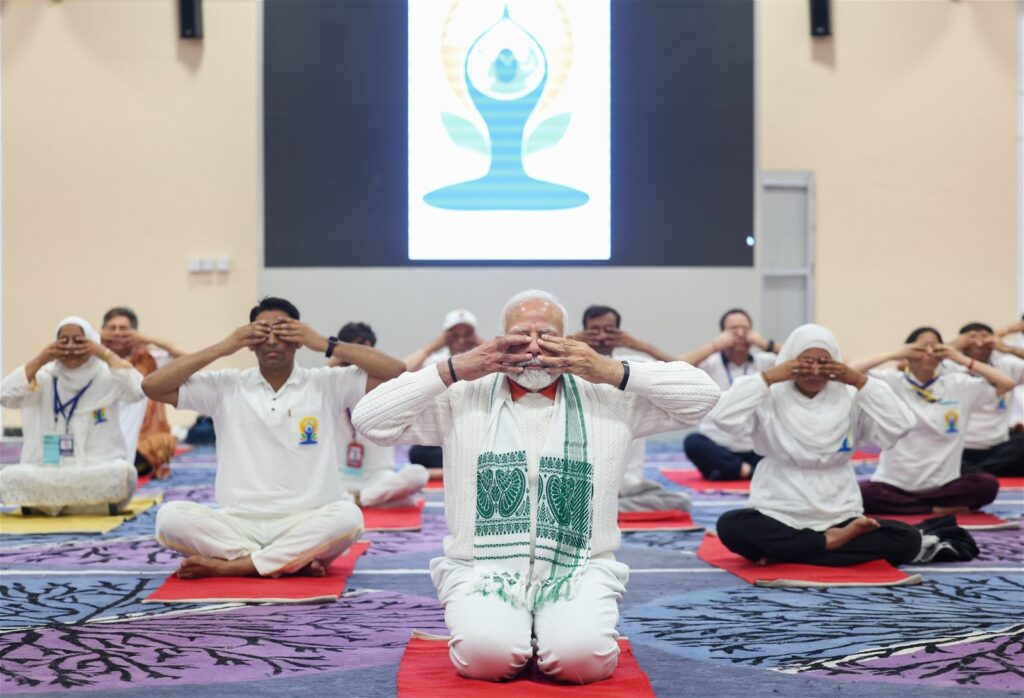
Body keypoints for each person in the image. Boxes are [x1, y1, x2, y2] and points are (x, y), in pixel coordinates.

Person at [353, 290, 720, 684]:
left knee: (581, 662)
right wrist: (453, 369)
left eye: (545, 335)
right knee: (486, 660)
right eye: (519, 334)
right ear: (497, 340)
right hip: (483, 568)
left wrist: (610, 369)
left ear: (569, 341)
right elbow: (369, 420)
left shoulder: (606, 393)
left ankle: (549, 623)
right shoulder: (463, 394)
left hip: (578, 565)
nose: (532, 346)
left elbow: (704, 397)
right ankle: (516, 624)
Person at [145, 297, 405, 579]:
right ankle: (287, 559)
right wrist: (225, 346)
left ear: (298, 339)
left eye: (282, 331)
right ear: (250, 342)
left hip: (307, 518)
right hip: (239, 522)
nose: (271, 340)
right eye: (262, 332)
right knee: (169, 517)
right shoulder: (226, 386)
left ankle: (238, 564)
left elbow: (396, 372)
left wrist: (323, 343)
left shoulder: (325, 383)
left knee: (349, 517)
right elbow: (152, 386)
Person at [708, 324, 934, 567]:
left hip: (839, 512)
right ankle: (828, 544)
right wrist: (768, 377)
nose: (815, 371)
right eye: (806, 363)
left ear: (836, 363)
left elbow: (902, 424)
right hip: (778, 509)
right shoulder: (769, 394)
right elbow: (721, 416)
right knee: (731, 527)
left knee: (908, 539)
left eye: (824, 363)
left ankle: (792, 550)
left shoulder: (850, 396)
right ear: (789, 361)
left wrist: (859, 381)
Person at [852, 327, 1011, 514]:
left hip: (943, 486)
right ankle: (933, 508)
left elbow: (1006, 383)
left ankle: (911, 506)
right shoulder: (890, 382)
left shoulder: (958, 384)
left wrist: (959, 358)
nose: (928, 352)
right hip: (893, 484)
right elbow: (848, 372)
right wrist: (893, 355)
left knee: (987, 484)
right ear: (908, 351)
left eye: (935, 347)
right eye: (921, 347)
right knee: (861, 494)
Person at [0, 317, 145, 515]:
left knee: (123, 474)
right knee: (11, 475)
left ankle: (52, 504)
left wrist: (103, 353)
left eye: (79, 341)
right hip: (49, 467)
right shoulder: (45, 376)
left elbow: (138, 390)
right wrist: (41, 358)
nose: (71, 347)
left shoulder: (107, 375)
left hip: (95, 466)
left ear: (92, 341)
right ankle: (84, 504)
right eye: (63, 341)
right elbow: (5, 396)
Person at [573, 304, 690, 513]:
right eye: (594, 330)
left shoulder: (633, 366)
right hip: (585, 475)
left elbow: (685, 374)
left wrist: (639, 345)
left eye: (609, 330)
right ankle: (600, 506)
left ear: (620, 333)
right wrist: (571, 341)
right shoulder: (570, 368)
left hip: (628, 483)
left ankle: (601, 508)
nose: (601, 336)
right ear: (583, 332)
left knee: (681, 502)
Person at [331, 322, 428, 507]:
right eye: (354, 351)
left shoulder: (385, 384)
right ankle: (374, 500)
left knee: (417, 474)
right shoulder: (331, 384)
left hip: (378, 476)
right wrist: (338, 352)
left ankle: (359, 500)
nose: (360, 357)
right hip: (341, 477)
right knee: (405, 503)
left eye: (366, 351)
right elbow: (320, 374)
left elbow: (404, 371)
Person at [680, 308, 777, 480]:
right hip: (718, 444)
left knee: (782, 445)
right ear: (722, 334)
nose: (740, 334)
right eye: (733, 330)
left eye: (745, 329)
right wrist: (714, 346)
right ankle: (748, 471)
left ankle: (735, 470)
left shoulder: (765, 361)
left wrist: (766, 344)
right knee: (693, 443)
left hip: (755, 446)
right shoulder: (710, 363)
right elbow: (677, 365)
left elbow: (799, 359)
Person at [101, 306, 185, 479]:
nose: (117, 333)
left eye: (123, 329)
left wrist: (149, 339)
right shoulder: (92, 361)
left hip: (141, 438)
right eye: (112, 329)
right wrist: (95, 341)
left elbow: (189, 358)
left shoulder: (149, 360)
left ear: (135, 333)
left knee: (160, 443)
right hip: (101, 434)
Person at [405, 309, 483, 474]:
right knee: (418, 453)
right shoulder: (434, 362)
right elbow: (398, 374)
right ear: (444, 337)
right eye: (454, 336)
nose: (461, 341)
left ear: (475, 336)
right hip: (439, 436)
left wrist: (484, 346)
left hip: (473, 434)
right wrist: (430, 347)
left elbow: (512, 372)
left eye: (467, 335)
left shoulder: (485, 362)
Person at [950, 322, 1024, 476]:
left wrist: (1009, 348)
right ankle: (980, 474)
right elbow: (906, 365)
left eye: (985, 337)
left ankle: (975, 473)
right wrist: (951, 347)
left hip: (999, 447)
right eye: (972, 338)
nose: (979, 343)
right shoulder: (947, 368)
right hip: (958, 447)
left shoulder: (1007, 365)